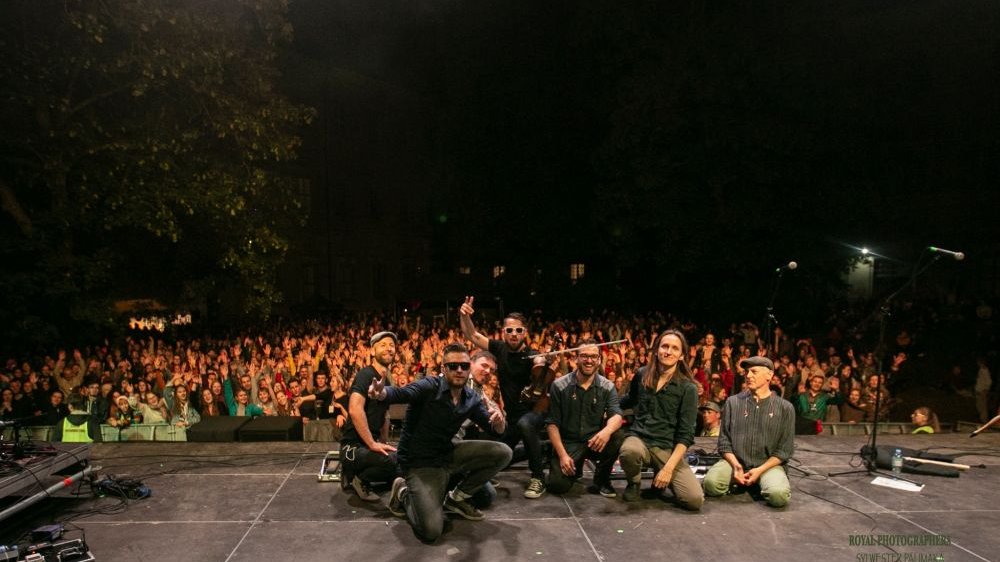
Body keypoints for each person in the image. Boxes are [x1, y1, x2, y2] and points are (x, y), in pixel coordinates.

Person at [373, 342, 511, 544]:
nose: (459, 370)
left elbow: (494, 430)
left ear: (468, 368)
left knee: (503, 453)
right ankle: (403, 492)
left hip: (448, 454)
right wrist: (382, 393)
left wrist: (499, 423)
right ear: (443, 369)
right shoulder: (429, 386)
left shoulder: (471, 397)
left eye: (464, 366)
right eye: (453, 366)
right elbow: (403, 393)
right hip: (421, 463)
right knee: (432, 531)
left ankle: (456, 498)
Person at [459, 296, 547, 499]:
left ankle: (538, 478)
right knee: (499, 452)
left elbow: (540, 370)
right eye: (509, 330)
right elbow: (471, 334)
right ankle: (542, 449)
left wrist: (541, 361)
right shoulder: (499, 348)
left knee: (526, 425)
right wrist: (464, 316)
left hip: (532, 413)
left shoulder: (532, 355)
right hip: (511, 417)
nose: (514, 334)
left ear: (525, 332)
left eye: (518, 330)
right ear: (503, 332)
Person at [618, 330, 703, 510]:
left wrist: (668, 469)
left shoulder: (688, 388)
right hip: (639, 439)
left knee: (694, 500)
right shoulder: (642, 374)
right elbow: (629, 400)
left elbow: (686, 435)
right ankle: (634, 483)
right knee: (629, 451)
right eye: (664, 346)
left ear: (681, 356)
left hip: (666, 447)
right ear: (656, 350)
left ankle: (659, 477)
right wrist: (607, 406)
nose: (668, 351)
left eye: (674, 348)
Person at [703, 356, 795, 508]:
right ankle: (745, 479)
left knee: (778, 496)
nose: (748, 376)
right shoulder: (733, 402)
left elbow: (785, 450)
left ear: (769, 375)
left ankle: (761, 480)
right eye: (746, 372)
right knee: (711, 484)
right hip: (736, 463)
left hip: (767, 466)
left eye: (754, 371)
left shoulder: (785, 408)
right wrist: (736, 465)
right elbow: (724, 443)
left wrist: (760, 470)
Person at [545, 339, 624, 498]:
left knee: (617, 435)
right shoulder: (559, 386)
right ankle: (570, 463)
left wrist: (606, 431)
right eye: (584, 356)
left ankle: (601, 480)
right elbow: (552, 424)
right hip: (569, 442)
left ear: (599, 359)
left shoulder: (607, 386)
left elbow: (617, 415)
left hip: (594, 440)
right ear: (576, 359)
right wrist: (562, 455)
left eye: (593, 356)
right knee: (557, 485)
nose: (589, 360)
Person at [339, 331, 399, 503]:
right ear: (372, 352)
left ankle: (360, 472)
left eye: (392, 345)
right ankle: (356, 477)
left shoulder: (386, 381)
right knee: (392, 462)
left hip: (369, 445)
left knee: (402, 460)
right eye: (383, 345)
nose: (389, 348)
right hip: (353, 447)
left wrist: (384, 441)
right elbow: (355, 409)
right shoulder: (366, 375)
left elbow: (385, 414)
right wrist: (372, 443)